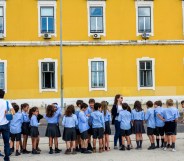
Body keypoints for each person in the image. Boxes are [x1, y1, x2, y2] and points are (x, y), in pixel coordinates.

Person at [0, 89, 15, 161]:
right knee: (6, 142)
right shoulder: (6, 102)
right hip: (5, 124)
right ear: (3, 95)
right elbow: (13, 112)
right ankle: (7, 157)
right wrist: (7, 112)